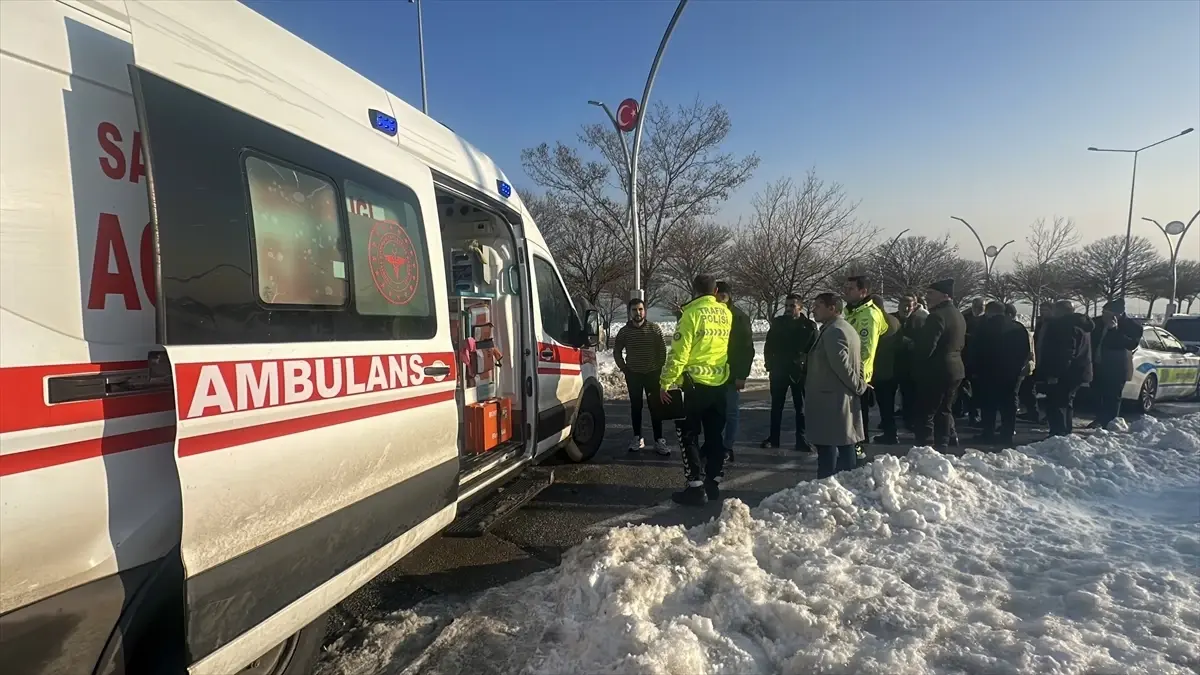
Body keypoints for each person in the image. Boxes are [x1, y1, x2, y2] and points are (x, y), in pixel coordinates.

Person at [659, 274, 732, 506]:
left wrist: (666, 382)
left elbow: (679, 353)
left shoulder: (690, 314)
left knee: (688, 435)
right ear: (715, 290)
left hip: (693, 386)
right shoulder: (726, 314)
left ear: (694, 290)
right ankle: (713, 480)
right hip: (719, 383)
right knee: (714, 434)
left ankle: (695, 487)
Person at [805, 293, 867, 478]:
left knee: (834, 446)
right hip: (836, 396)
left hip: (832, 398)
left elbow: (842, 366)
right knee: (842, 442)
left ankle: (829, 484)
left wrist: (859, 386)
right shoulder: (843, 328)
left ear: (832, 308)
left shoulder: (835, 331)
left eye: (818, 306)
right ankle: (841, 481)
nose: (813, 310)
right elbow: (860, 361)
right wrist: (860, 382)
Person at [911, 279, 967, 450]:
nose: (927, 297)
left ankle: (925, 446)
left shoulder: (937, 316)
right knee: (945, 409)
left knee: (926, 411)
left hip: (937, 370)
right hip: (955, 369)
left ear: (944, 295)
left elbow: (926, 347)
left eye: (931, 294)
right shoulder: (958, 314)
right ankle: (943, 443)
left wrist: (914, 355)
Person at [612, 298, 669, 455]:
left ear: (645, 311)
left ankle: (659, 440)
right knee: (636, 407)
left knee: (655, 407)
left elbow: (662, 350)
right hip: (634, 375)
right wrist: (624, 368)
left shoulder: (654, 329)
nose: (638, 313)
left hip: (652, 374)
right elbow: (617, 351)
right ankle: (637, 437)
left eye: (640, 309)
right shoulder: (624, 332)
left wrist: (658, 367)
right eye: (634, 310)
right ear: (630, 312)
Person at [761, 293, 818, 450]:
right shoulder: (778, 323)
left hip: (799, 372)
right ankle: (774, 438)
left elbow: (814, 351)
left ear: (800, 307)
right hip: (779, 369)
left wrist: (807, 368)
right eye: (786, 305)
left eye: (792, 306)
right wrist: (769, 364)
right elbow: (769, 345)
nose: (788, 309)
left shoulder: (809, 326)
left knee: (801, 408)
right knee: (776, 407)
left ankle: (801, 439)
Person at [969, 302, 1031, 444]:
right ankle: (1007, 433)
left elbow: (976, 351)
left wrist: (975, 371)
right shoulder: (1018, 327)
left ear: (989, 312)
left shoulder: (984, 327)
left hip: (988, 372)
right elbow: (1025, 351)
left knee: (988, 404)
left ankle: (988, 432)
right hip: (1011, 373)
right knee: (1009, 404)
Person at [843, 276, 888, 456]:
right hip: (850, 372)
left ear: (863, 292)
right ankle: (855, 449)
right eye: (845, 288)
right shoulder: (852, 311)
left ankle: (859, 452)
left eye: (851, 288)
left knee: (858, 420)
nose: (846, 291)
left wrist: (860, 377)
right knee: (851, 418)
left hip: (859, 376)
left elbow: (866, 350)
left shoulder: (868, 315)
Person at [1037, 299, 1093, 437]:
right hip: (1080, 370)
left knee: (1056, 403)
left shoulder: (1064, 326)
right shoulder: (1083, 325)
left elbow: (1066, 353)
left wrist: (1055, 374)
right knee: (1067, 402)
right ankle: (1065, 432)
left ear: (1060, 311)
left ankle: (1058, 433)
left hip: (1065, 373)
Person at [1089, 299, 1143, 429]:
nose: (1104, 316)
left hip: (1116, 367)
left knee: (1112, 396)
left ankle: (1110, 422)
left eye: (1107, 313)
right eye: (1103, 312)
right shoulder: (1097, 323)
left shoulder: (1133, 326)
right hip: (1097, 364)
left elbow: (1131, 344)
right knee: (1096, 394)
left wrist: (1114, 330)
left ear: (1117, 314)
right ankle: (1099, 418)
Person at [716, 281, 755, 462]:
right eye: (718, 293)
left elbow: (747, 348)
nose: (721, 296)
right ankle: (713, 445)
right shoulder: (709, 314)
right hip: (712, 374)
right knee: (714, 413)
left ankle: (727, 447)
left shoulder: (739, 317)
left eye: (724, 293)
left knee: (731, 413)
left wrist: (742, 375)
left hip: (732, 374)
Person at [869, 296, 904, 444]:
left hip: (878, 368)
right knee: (887, 404)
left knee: (879, 403)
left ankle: (888, 433)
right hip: (893, 368)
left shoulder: (874, 321)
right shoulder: (894, 320)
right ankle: (890, 430)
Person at [892, 293, 925, 434]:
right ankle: (888, 421)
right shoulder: (891, 319)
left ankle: (909, 420)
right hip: (893, 362)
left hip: (910, 364)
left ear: (914, 307)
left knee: (909, 394)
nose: (906, 309)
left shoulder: (920, 320)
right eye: (903, 305)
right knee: (889, 395)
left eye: (909, 306)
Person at [1020, 299, 1055, 422]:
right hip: (1037, 358)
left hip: (1047, 360)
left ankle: (1049, 416)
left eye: (1045, 310)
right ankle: (1032, 411)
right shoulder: (1041, 323)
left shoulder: (1054, 324)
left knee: (1050, 390)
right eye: (1041, 310)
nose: (1043, 312)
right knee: (1028, 385)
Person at [958, 297, 986, 424]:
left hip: (980, 360)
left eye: (981, 307)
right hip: (965, 357)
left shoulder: (987, 320)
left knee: (979, 389)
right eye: (975, 307)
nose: (978, 309)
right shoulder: (965, 318)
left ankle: (975, 413)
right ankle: (969, 410)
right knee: (962, 387)